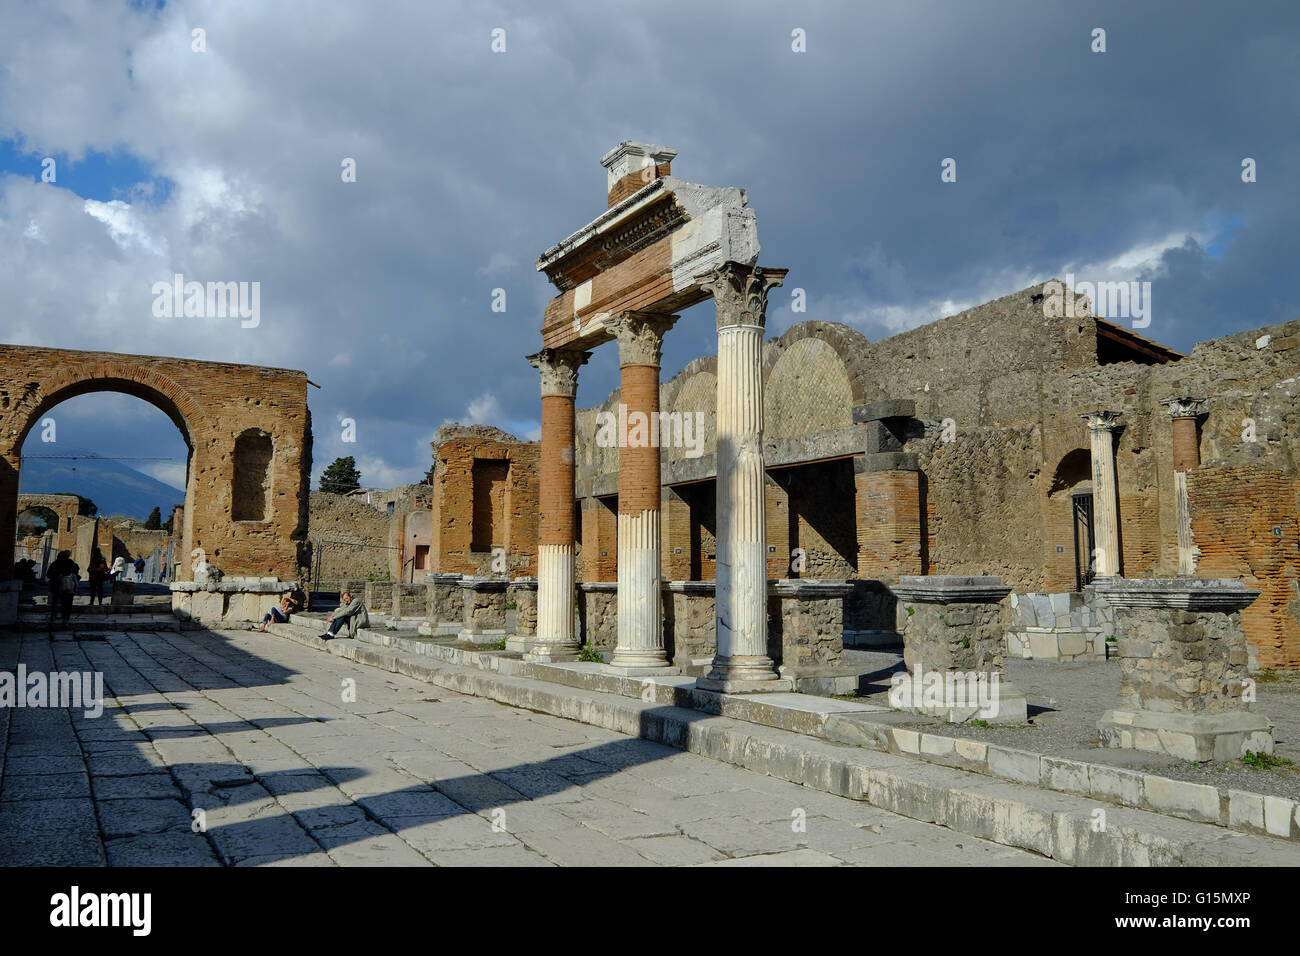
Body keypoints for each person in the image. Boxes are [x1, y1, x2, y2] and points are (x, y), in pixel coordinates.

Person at [46, 549, 79, 626]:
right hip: (67, 587)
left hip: (56, 586)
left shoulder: (54, 564)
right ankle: (65, 618)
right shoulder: (71, 563)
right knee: (67, 603)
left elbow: (48, 575)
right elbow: (76, 572)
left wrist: (57, 577)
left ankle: (53, 616)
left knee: (55, 602)